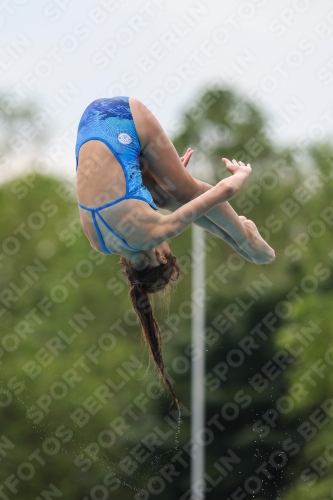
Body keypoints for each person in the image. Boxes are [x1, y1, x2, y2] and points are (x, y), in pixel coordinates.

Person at [75, 96, 275, 408]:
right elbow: (109, 183)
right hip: (90, 122)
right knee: (169, 197)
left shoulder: (154, 232)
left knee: (186, 193)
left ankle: (247, 239)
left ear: (156, 257)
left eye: (170, 253)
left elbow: (222, 191)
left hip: (124, 115)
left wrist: (240, 175)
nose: (170, 246)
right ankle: (240, 239)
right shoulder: (99, 243)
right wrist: (156, 176)